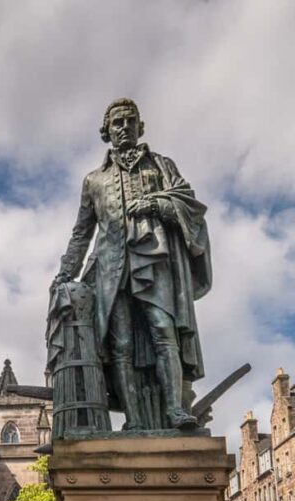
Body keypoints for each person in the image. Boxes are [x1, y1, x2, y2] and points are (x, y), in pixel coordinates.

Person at [52, 98, 211, 430]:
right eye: (117, 123)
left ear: (140, 127)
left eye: (129, 121)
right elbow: (82, 232)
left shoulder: (162, 166)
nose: (123, 128)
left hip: (154, 260)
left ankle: (175, 410)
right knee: (119, 344)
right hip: (110, 269)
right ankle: (135, 421)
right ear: (107, 132)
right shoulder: (94, 180)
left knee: (164, 333)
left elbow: (188, 203)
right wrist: (65, 273)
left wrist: (155, 203)